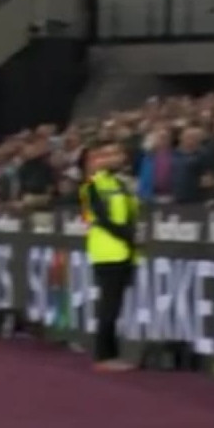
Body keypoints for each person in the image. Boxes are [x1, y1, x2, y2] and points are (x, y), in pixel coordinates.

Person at [80, 140, 139, 372]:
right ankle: (104, 356)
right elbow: (101, 218)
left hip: (124, 251)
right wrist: (128, 236)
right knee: (109, 306)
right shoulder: (93, 185)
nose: (114, 158)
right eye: (107, 155)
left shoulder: (121, 184)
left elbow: (130, 214)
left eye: (117, 154)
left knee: (114, 306)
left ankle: (111, 354)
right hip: (108, 251)